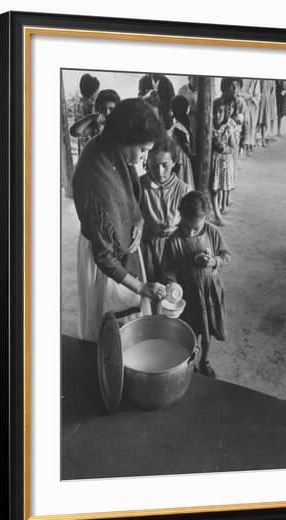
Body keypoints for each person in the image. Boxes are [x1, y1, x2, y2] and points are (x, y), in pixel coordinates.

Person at [72, 98, 166, 342]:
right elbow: (104, 256)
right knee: (109, 328)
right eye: (143, 149)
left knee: (128, 319)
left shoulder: (112, 149)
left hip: (120, 245)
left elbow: (129, 192)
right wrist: (141, 288)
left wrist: (138, 221)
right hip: (101, 257)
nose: (144, 157)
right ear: (125, 139)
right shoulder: (96, 178)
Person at [163, 192, 230, 378]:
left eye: (196, 228)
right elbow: (169, 270)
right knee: (189, 332)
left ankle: (205, 360)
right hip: (189, 295)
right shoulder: (173, 241)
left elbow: (226, 256)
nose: (191, 232)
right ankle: (190, 360)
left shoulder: (212, 232)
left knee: (206, 332)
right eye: (186, 226)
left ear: (206, 219)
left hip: (210, 293)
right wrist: (172, 285)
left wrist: (213, 261)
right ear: (180, 216)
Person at [139, 133, 189, 283]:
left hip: (174, 247)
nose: (160, 172)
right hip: (147, 247)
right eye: (154, 165)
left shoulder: (183, 190)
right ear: (147, 162)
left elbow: (194, 223)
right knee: (149, 285)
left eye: (165, 165)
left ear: (174, 162)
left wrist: (178, 229)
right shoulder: (140, 186)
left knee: (173, 289)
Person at [210, 98, 236, 224]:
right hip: (211, 163)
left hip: (223, 163)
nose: (217, 115)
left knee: (219, 187)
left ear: (225, 113)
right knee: (213, 189)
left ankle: (219, 210)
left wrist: (223, 148)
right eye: (215, 112)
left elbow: (232, 147)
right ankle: (217, 214)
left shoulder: (228, 128)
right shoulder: (209, 128)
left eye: (220, 112)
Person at [168, 95, 195, 189]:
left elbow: (185, 144)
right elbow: (185, 144)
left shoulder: (178, 125)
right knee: (184, 178)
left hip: (180, 155)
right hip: (183, 156)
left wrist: (190, 154)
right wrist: (191, 155)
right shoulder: (180, 126)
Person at [73, 73, 100, 155]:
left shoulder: (77, 103)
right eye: (97, 91)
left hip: (81, 142)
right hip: (90, 145)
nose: (97, 93)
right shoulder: (91, 106)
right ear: (93, 92)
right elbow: (96, 130)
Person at [177, 76, 198, 156]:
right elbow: (177, 105)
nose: (197, 81)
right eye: (195, 78)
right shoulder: (182, 90)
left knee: (196, 142)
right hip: (185, 120)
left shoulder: (203, 91)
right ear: (189, 78)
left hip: (198, 121)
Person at [241, 78, 261, 156]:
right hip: (241, 103)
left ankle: (249, 146)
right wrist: (242, 96)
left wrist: (250, 97)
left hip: (251, 104)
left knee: (251, 125)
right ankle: (242, 147)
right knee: (242, 125)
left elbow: (257, 95)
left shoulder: (255, 80)